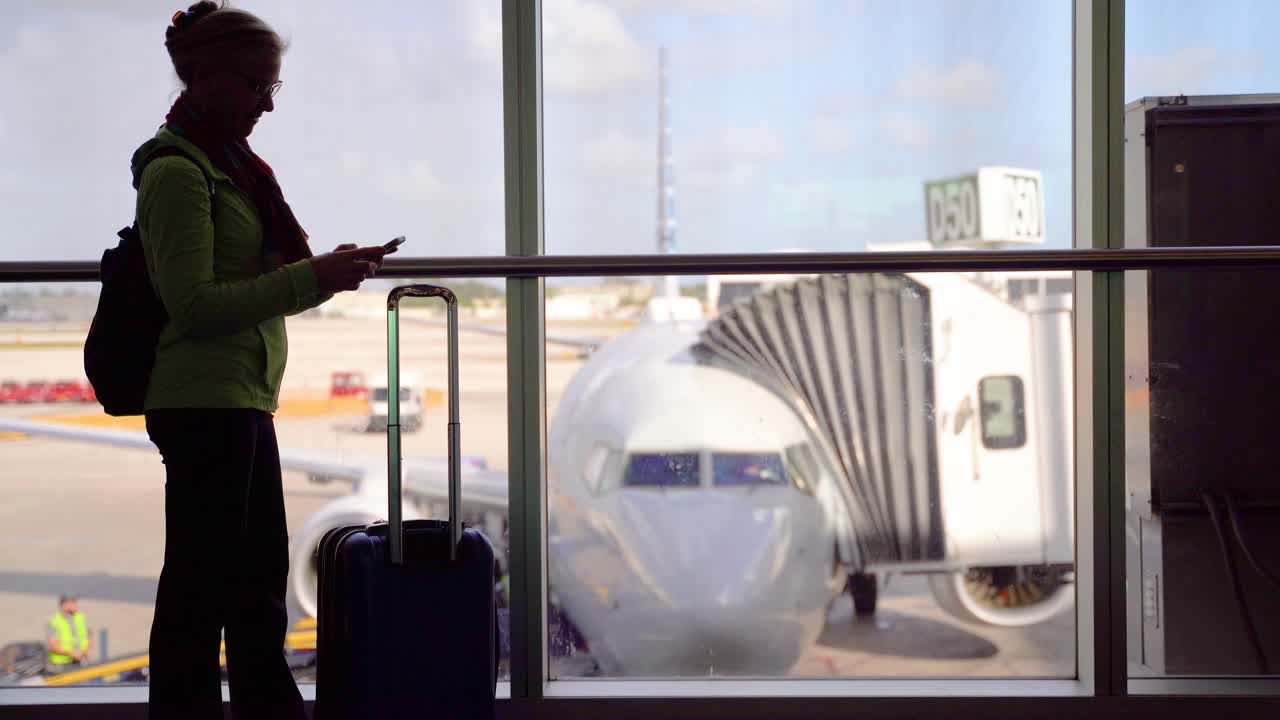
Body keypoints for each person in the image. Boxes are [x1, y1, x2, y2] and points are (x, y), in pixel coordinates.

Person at [136, 3, 390, 717]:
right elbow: (197, 307)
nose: (264, 105)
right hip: (203, 401)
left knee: (250, 588)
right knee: (203, 593)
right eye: (255, 86)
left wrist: (327, 273)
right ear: (207, 78)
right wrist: (311, 278)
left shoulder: (230, 168)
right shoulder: (179, 173)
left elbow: (257, 294)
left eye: (272, 89)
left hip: (241, 398)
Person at [46, 595, 91, 673]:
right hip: (62, 665)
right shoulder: (54, 621)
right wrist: (72, 654)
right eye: (73, 603)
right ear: (64, 605)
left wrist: (86, 650)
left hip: (80, 661)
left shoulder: (80, 617)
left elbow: (89, 634)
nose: (76, 605)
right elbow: (53, 645)